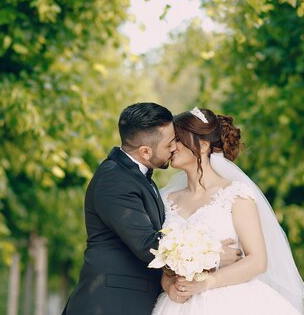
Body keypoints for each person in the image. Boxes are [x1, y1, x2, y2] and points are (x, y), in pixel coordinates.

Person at [61, 102, 241, 315]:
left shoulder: (137, 178)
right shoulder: (114, 180)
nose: (175, 147)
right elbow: (148, 246)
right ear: (145, 151)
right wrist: (214, 256)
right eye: (170, 143)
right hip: (110, 304)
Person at [153, 107, 304, 315]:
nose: (171, 147)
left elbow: (257, 261)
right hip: (178, 304)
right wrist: (169, 286)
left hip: (230, 302)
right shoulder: (165, 199)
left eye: (177, 139)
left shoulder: (235, 194)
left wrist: (207, 282)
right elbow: (162, 261)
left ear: (203, 146)